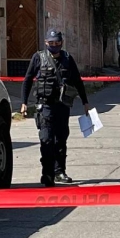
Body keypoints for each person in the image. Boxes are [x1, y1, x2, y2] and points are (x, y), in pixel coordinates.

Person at [21, 29, 90, 187]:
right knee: (46, 139)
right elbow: (27, 79)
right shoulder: (38, 58)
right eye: (51, 43)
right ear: (46, 43)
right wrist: (24, 102)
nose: (54, 46)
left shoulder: (67, 58)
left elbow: (78, 81)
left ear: (61, 43)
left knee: (61, 139)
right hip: (44, 105)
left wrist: (85, 102)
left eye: (57, 43)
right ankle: (47, 173)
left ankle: (59, 171)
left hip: (62, 105)